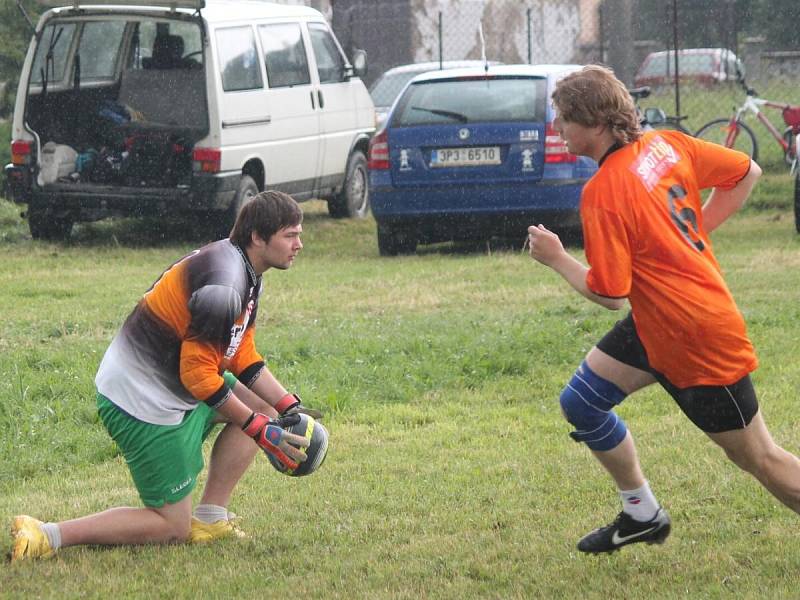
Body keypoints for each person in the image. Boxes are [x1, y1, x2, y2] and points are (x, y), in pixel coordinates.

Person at [527, 65, 800, 554]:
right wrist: (684, 238)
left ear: (593, 122)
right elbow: (747, 172)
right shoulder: (667, 145)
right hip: (658, 325)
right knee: (582, 402)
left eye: (563, 118)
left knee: (761, 458)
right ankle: (641, 514)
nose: (558, 129)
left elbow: (610, 293)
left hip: (696, 337)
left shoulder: (604, 193)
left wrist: (558, 259)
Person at [11, 190, 319, 561]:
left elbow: (240, 352)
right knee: (171, 526)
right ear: (258, 237)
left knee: (266, 409)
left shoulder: (247, 270)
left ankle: (210, 519)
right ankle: (46, 534)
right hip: (141, 402)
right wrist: (257, 427)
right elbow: (199, 376)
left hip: (174, 386)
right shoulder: (225, 284)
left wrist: (287, 405)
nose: (299, 244)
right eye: (290, 235)